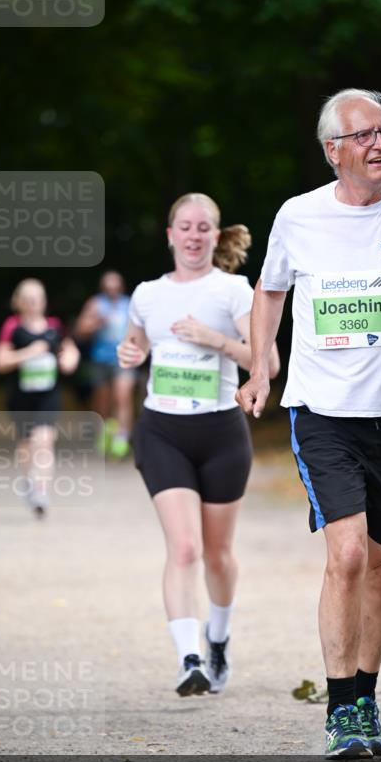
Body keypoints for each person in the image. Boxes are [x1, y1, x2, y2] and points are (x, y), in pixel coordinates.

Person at [237, 88, 381, 758]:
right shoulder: (298, 215)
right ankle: (340, 709)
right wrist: (260, 367)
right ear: (332, 150)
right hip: (323, 412)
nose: (380, 144)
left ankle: (366, 698)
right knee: (346, 555)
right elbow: (270, 291)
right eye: (364, 134)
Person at [117, 193, 279, 697]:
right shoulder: (146, 294)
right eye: (185, 227)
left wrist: (215, 340)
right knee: (184, 547)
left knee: (218, 554)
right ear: (170, 235)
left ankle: (218, 640)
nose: (193, 235)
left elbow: (268, 363)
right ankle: (190, 660)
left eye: (203, 227)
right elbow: (136, 346)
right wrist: (129, 353)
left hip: (221, 433)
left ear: (216, 235)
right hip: (162, 431)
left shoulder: (233, 290)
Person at [0, 278, 80, 517]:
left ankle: (41, 491)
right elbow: (0, 362)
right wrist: (29, 352)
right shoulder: (12, 327)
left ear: (44, 301)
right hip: (20, 397)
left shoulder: (54, 326)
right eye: (28, 299)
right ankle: (29, 481)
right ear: (19, 302)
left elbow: (70, 350)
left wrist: (69, 360)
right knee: (26, 444)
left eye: (37, 299)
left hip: (48, 396)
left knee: (44, 440)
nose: (33, 304)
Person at [74, 271, 137, 458]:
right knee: (102, 400)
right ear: (103, 288)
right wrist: (95, 323)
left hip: (124, 358)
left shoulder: (129, 304)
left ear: (121, 287)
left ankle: (122, 439)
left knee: (123, 397)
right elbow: (79, 330)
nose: (112, 290)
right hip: (100, 359)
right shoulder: (95, 304)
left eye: (115, 287)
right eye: (108, 287)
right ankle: (105, 432)